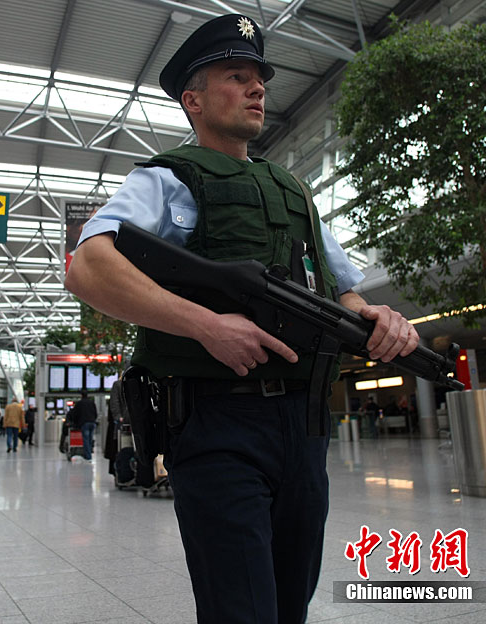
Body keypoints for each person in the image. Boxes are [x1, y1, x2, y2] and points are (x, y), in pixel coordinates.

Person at [64, 13, 419, 623]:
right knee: (242, 609)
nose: (257, 88)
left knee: (289, 605)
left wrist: (379, 319)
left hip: (303, 427)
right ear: (193, 100)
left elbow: (343, 292)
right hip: (216, 423)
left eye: (260, 79)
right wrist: (204, 325)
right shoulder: (168, 179)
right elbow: (88, 265)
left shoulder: (294, 191)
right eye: (236, 76)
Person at [67, 391, 98, 460]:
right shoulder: (92, 403)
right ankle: (89, 452)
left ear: (81, 396)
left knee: (86, 440)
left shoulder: (79, 403)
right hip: (92, 422)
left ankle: (88, 456)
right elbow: (95, 413)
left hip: (85, 423)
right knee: (90, 439)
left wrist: (75, 422)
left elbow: (75, 414)